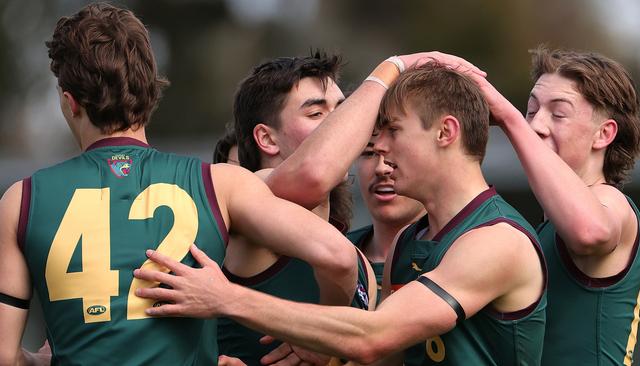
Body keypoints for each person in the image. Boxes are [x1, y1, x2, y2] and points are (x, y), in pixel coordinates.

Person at [0, 3, 358, 365]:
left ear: (69, 102)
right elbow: (340, 258)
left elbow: (4, 355)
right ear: (150, 91)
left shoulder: (22, 200)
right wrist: (320, 334)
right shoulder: (220, 184)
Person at [134, 61, 548, 365]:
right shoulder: (409, 241)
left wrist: (226, 298)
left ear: (446, 133)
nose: (375, 144)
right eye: (318, 113)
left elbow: (375, 336)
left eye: (392, 130)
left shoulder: (499, 240)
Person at [465, 47, 640, 365]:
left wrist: (509, 118)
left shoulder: (612, 202)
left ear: (604, 134)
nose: (536, 125)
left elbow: (590, 231)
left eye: (558, 113)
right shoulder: (545, 227)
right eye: (531, 111)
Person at [218, 52, 374, 365]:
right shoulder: (248, 195)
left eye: (343, 112)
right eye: (317, 113)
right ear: (266, 138)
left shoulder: (360, 261)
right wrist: (392, 69)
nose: (342, 126)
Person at [347, 139, 425, 304]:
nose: (381, 168)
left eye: (398, 150)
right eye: (369, 153)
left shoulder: (459, 250)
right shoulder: (327, 253)